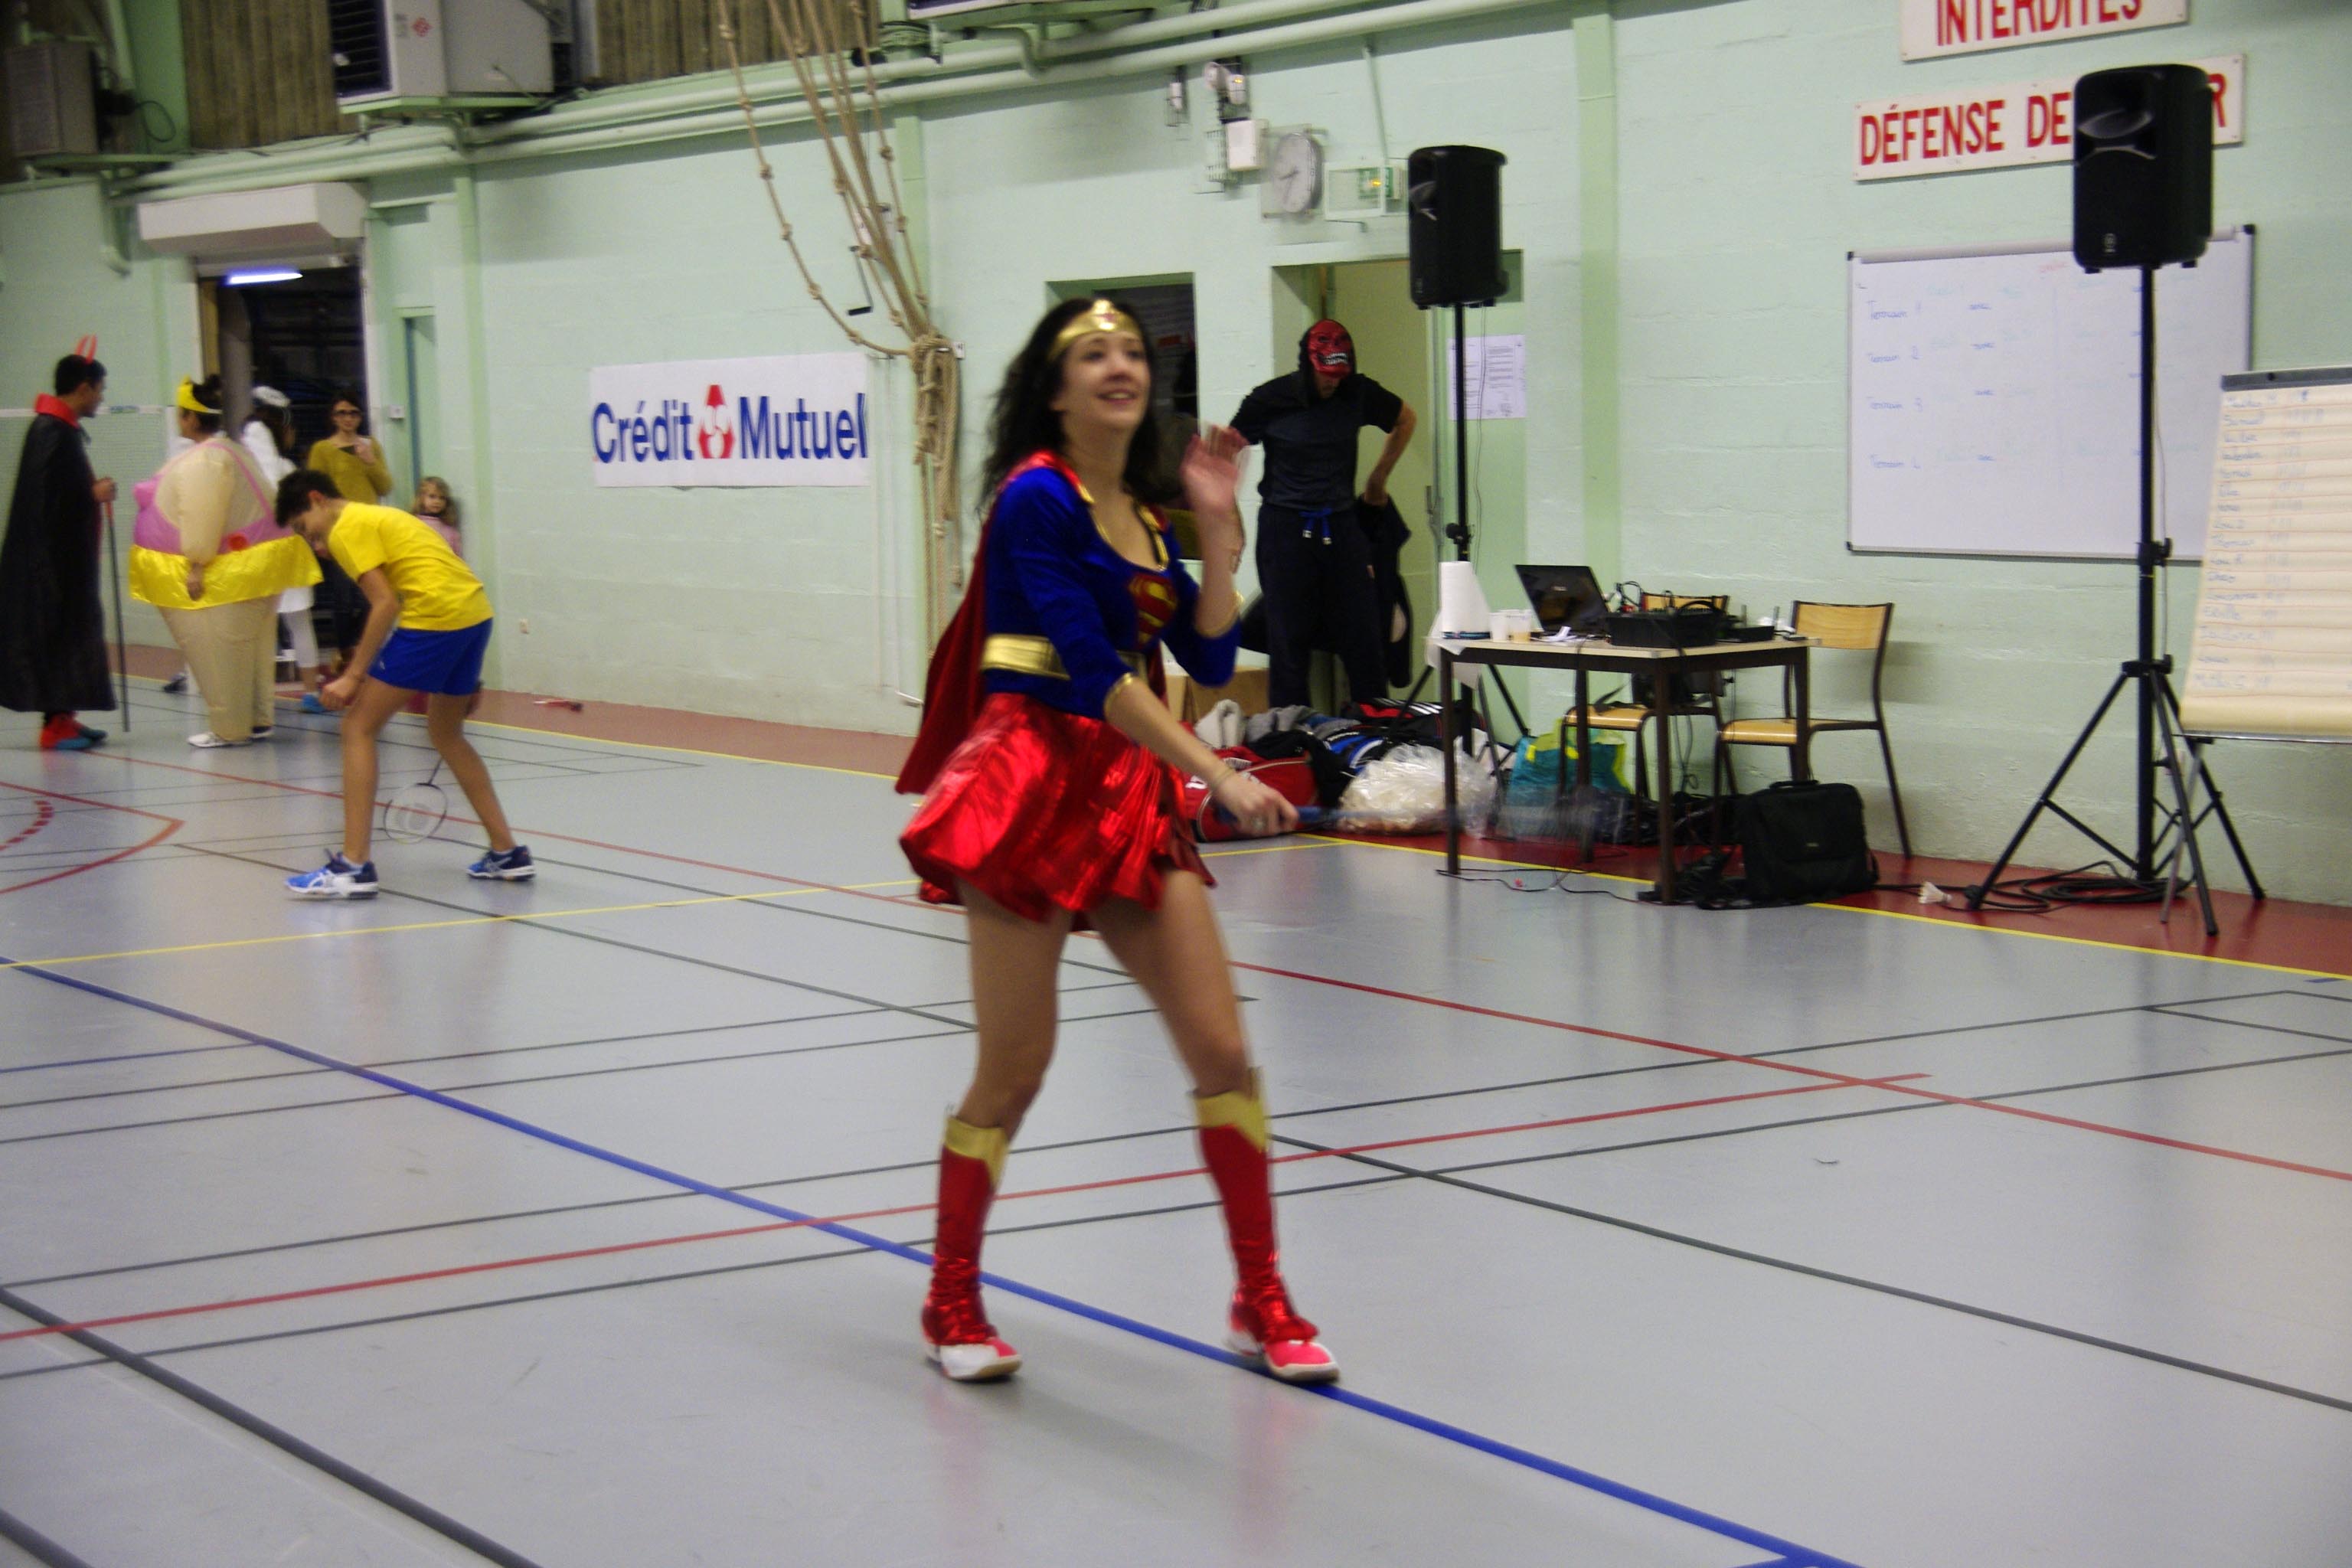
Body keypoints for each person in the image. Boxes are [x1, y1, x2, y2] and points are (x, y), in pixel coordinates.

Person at [897, 297, 1336, 1386]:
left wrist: (1216, 527)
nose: (1118, 365)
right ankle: (950, 1296)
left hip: (1125, 793)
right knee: (1016, 1067)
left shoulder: (1142, 511)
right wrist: (1217, 771)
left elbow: (1206, 649)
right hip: (1025, 783)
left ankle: (1260, 1296)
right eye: (1092, 354)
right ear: (1055, 390)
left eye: (1132, 351)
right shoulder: (1033, 497)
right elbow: (1093, 670)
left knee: (1222, 1051)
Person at [274, 467, 533, 897]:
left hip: (435, 619)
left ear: (317, 500)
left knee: (357, 727)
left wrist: (353, 676)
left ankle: (354, 866)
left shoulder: (347, 528)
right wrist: (469, 672)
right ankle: (507, 852)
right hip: (473, 614)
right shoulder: (381, 515)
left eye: (305, 527)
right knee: (446, 733)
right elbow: (444, 572)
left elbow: (384, 603)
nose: (314, 542)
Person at [1230, 318, 1416, 710]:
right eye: (1325, 376)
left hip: (1341, 524)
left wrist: (1378, 480)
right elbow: (1229, 451)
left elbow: (1405, 419)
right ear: (1308, 365)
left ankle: (1373, 728)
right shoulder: (1270, 399)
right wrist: (1231, 521)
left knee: (1365, 638)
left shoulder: (1357, 392)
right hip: (1285, 527)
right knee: (1288, 643)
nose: (1332, 384)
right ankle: (1292, 733)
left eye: (1338, 375)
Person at [129, 377, 321, 748]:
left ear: (189, 418)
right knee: (254, 649)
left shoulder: (205, 461)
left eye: (181, 414)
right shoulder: (232, 451)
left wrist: (196, 564)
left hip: (232, 574)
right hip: (258, 567)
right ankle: (258, 719)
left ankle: (230, 728)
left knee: (222, 652)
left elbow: (201, 515)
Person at [0, 354, 117, 750]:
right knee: (57, 635)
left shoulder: (59, 429)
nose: (101, 398)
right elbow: (47, 502)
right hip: (48, 567)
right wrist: (92, 494)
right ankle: (54, 726)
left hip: (62, 564)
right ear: (83, 388)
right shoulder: (50, 431)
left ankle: (63, 717)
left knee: (69, 635)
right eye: (99, 390)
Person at [239, 385, 327, 710]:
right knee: (291, 622)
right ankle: (307, 692)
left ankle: (300, 693)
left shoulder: (274, 466)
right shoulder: (276, 467)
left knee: (270, 624)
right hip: (271, 550)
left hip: (273, 550)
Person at [304, 390, 395, 691]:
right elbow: (314, 492)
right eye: (342, 413)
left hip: (369, 529)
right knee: (343, 598)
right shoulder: (322, 449)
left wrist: (369, 461)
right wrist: (318, 539)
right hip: (338, 531)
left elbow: (385, 486)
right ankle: (345, 655)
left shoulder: (370, 446)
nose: (348, 419)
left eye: (353, 413)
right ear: (333, 417)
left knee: (373, 597)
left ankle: (364, 654)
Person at [412, 475, 462, 554]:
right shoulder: (414, 522)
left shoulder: (449, 528)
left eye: (442, 498)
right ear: (421, 498)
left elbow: (456, 553)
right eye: (432, 496)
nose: (437, 501)